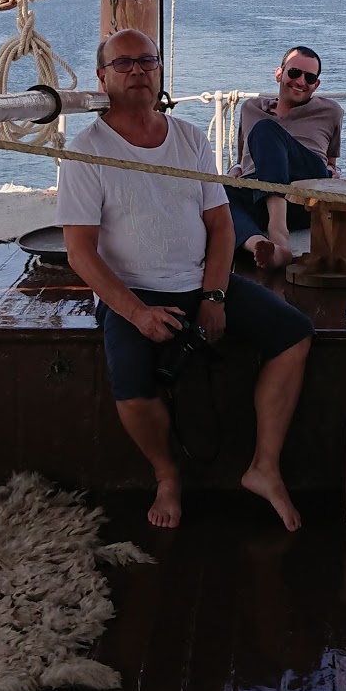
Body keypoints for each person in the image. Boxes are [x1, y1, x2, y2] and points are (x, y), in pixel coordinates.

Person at [59, 28, 312, 532]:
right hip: (132, 292)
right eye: (123, 63)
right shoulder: (86, 151)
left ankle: (264, 467)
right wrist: (137, 313)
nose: (137, 70)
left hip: (200, 281)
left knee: (294, 333)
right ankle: (167, 474)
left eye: (146, 61)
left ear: (159, 71)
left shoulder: (191, 139)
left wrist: (214, 295)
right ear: (102, 78)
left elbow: (220, 226)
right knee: (132, 391)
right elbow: (80, 252)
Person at [228, 45, 344, 270]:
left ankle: (278, 234)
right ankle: (260, 246)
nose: (301, 81)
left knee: (265, 130)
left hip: (305, 196)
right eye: (294, 73)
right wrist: (235, 169)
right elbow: (245, 161)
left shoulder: (331, 111)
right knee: (213, 194)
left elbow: (331, 163)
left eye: (309, 78)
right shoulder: (250, 109)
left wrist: (332, 172)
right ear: (279, 74)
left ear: (316, 84)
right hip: (259, 194)